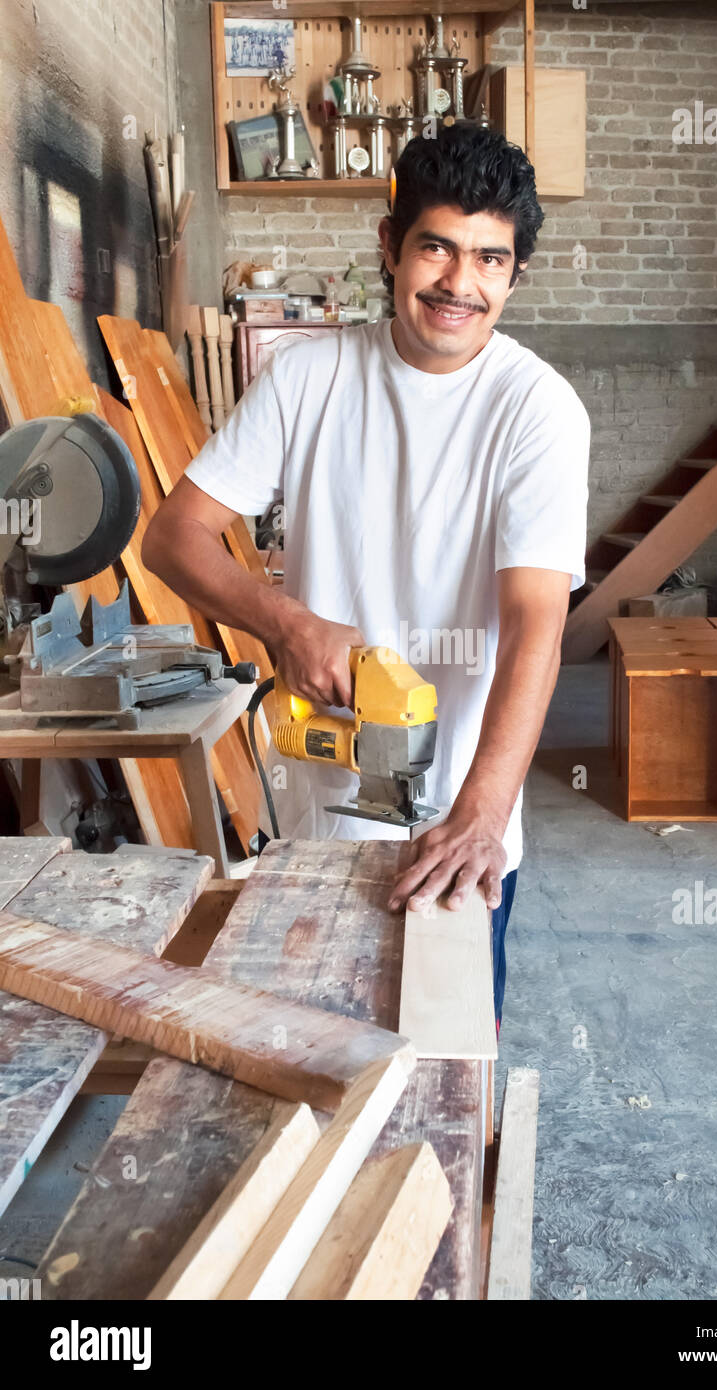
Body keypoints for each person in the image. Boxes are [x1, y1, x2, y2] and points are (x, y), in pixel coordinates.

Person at [141, 124, 590, 1031]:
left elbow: (535, 626)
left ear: (515, 275)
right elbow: (173, 538)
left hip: (459, 823)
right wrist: (286, 623)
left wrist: (481, 817)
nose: (460, 284)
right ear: (390, 248)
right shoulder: (309, 377)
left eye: (490, 260)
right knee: (311, 1056)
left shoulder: (536, 409)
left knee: (445, 1077)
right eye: (437, 247)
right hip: (326, 817)